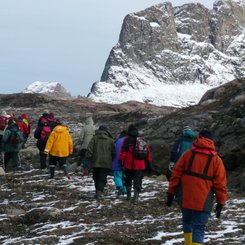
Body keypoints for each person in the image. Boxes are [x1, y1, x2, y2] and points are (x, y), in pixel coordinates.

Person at [166, 129, 227, 245]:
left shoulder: (187, 155)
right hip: (204, 199)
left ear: (199, 137)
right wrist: (221, 202)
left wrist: (170, 193)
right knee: (199, 228)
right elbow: (220, 184)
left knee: (187, 221)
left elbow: (176, 175)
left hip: (185, 196)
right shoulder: (216, 160)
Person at [118, 124, 152, 203]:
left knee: (128, 180)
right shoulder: (141, 140)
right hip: (140, 165)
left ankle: (128, 197)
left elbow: (123, 152)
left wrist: (120, 161)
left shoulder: (127, 139)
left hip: (129, 164)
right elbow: (148, 153)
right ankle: (136, 198)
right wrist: (149, 164)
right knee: (138, 180)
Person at [86, 125, 116, 201]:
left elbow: (89, 150)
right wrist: (111, 159)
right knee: (102, 178)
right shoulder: (110, 140)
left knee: (96, 177)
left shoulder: (94, 138)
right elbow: (114, 152)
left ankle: (97, 193)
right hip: (106, 162)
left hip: (95, 161)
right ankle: (99, 192)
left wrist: (88, 159)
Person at [112, 130, 127, 197]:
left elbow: (113, 152)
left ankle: (119, 187)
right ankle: (125, 190)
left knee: (117, 176)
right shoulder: (129, 141)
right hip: (126, 162)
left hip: (117, 162)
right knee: (125, 176)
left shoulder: (117, 141)